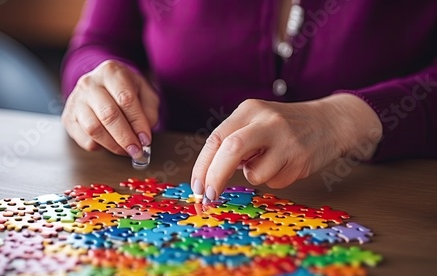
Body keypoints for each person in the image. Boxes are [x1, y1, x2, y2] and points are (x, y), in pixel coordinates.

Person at [61, 0, 437, 203]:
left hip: (388, 203)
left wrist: (347, 118)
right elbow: (97, 43)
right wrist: (98, 80)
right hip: (168, 204)